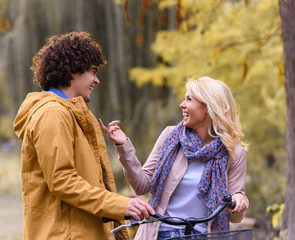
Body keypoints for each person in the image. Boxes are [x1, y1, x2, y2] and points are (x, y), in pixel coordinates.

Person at [13, 31, 154, 240]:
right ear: (72, 71)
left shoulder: (72, 114)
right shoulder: (53, 113)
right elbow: (62, 180)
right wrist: (121, 205)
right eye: (93, 72)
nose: (97, 81)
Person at [100, 77, 249, 240]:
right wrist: (124, 146)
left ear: (208, 107)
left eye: (189, 99)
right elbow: (142, 186)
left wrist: (239, 200)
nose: (182, 104)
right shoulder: (170, 136)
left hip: (203, 236)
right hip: (159, 234)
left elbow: (234, 216)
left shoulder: (234, 152)